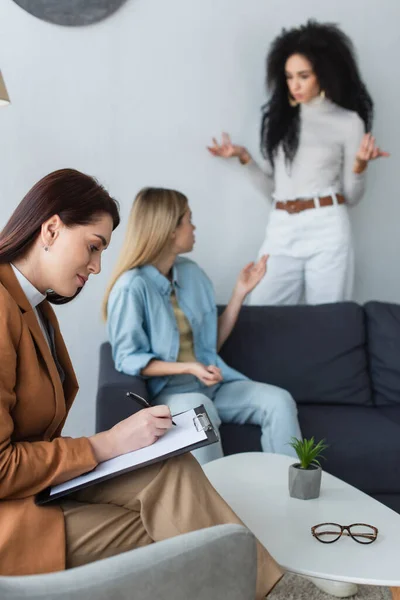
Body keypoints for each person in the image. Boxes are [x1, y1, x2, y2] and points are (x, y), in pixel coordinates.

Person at [0, 168, 283, 599]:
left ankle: (267, 589)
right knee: (175, 534)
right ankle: (260, 589)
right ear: (52, 229)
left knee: (171, 469)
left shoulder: (37, 308)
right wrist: (106, 444)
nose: (97, 267)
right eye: (93, 247)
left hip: (39, 487)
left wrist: (119, 446)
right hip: (12, 518)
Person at [103, 187, 301, 466]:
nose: (194, 228)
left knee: (279, 401)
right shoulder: (131, 288)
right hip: (170, 393)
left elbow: (209, 345)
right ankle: (211, 506)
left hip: (212, 385)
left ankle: (291, 493)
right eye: (189, 220)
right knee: (200, 410)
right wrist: (188, 367)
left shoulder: (192, 273)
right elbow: (128, 359)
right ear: (170, 229)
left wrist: (239, 294)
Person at [208, 20, 389, 305]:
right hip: (281, 227)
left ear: (323, 74)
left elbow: (351, 197)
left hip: (327, 226)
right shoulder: (279, 119)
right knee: (263, 314)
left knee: (329, 320)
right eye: (289, 76)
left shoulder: (347, 122)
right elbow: (273, 191)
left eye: (303, 76)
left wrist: (360, 166)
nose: (295, 85)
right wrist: (245, 159)